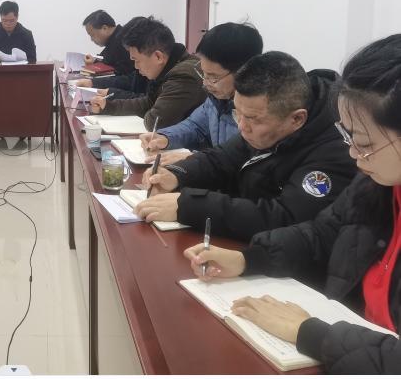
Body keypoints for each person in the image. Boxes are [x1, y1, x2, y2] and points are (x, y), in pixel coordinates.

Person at [182, 35, 401, 374]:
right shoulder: (376, 183)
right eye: (348, 136)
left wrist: (311, 334)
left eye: (364, 142)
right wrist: (248, 259)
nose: (353, 153)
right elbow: (323, 233)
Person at [137, 51, 357, 241]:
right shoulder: (264, 120)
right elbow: (222, 157)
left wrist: (191, 206)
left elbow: (286, 218)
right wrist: (177, 174)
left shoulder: (337, 149)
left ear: (297, 119)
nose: (241, 126)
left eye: (252, 119)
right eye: (237, 113)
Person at [140, 22, 263, 164]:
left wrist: (197, 159)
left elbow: (246, 163)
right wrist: (165, 138)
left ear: (244, 72)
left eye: (213, 77)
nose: (205, 83)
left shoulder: (257, 112)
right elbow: (195, 126)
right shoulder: (216, 99)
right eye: (203, 73)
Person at [89, 16, 204, 130]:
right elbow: (148, 103)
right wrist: (108, 106)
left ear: (158, 57)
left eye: (137, 60)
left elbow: (155, 122)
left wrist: (150, 109)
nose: (135, 66)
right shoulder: (169, 67)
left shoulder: (183, 77)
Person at [81, 10, 135, 75]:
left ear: (104, 28)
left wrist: (94, 64)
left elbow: (122, 73)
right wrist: (93, 62)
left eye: (92, 35)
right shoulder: (114, 40)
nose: (91, 39)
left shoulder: (123, 41)